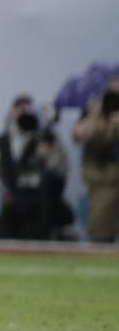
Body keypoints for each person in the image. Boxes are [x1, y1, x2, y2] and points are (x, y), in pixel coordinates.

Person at [0, 96, 71, 239]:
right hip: (13, 201)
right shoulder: (2, 140)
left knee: (37, 229)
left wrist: (45, 156)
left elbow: (61, 171)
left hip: (41, 202)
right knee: (1, 233)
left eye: (27, 111)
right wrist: (5, 190)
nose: (23, 116)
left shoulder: (47, 138)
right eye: (19, 111)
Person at [72, 78, 119, 242]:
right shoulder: (94, 109)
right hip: (104, 176)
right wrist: (102, 124)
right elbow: (78, 134)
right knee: (101, 228)